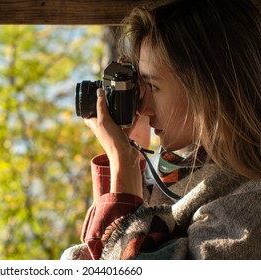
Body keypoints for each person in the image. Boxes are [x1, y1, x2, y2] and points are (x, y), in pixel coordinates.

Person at [61, 0, 261, 260]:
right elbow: (98, 255)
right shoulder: (188, 177)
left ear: (208, 88)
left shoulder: (250, 206)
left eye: (152, 86)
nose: (142, 107)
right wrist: (127, 162)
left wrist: (124, 165)